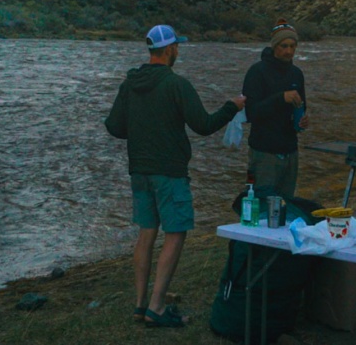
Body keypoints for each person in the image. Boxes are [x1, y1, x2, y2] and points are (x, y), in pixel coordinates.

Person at [105, 24, 245, 329]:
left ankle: (140, 305)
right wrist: (231, 107)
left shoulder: (130, 83)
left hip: (139, 170)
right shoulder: (176, 84)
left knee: (146, 232)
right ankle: (157, 308)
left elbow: (114, 126)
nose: (178, 51)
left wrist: (142, 127)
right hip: (169, 172)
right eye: (177, 46)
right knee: (176, 231)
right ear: (169, 49)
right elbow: (204, 125)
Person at [242, 19, 308, 197]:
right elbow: (251, 113)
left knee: (286, 207)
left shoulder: (296, 74)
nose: (289, 51)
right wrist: (281, 98)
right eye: (284, 46)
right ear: (274, 46)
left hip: (290, 151)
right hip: (264, 153)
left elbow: (302, 106)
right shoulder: (257, 72)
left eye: (293, 46)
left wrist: (303, 120)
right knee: (260, 207)